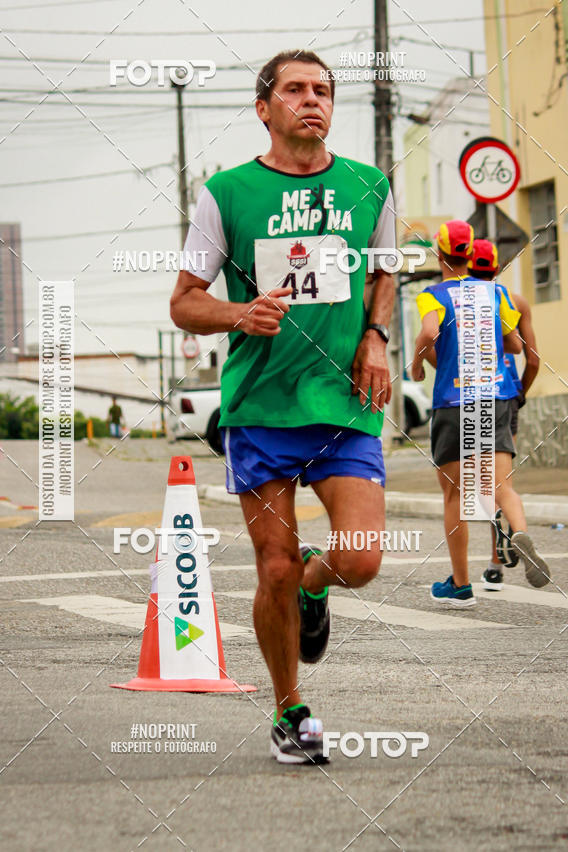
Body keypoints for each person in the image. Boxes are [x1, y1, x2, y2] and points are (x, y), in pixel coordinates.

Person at [171, 49, 396, 765]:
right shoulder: (226, 193)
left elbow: (385, 273)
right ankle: (288, 710)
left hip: (343, 401)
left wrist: (377, 337)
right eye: (295, 89)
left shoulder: (369, 185)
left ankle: (315, 586)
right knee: (273, 565)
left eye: (323, 90)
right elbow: (184, 302)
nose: (312, 100)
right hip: (261, 405)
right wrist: (238, 313)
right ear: (264, 108)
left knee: (360, 558)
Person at [410, 221, 550, 608]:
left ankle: (460, 585)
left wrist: (417, 363)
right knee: (501, 486)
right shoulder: (496, 293)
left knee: (455, 495)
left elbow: (429, 333)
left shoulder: (432, 295)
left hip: (453, 401)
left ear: (439, 254)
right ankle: (518, 531)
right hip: (496, 398)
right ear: (470, 254)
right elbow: (515, 345)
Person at [467, 239, 540, 590]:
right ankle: (515, 534)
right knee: (503, 482)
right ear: (497, 268)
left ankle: (494, 565)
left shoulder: (459, 301)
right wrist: (520, 392)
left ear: (468, 268)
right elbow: (533, 359)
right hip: (507, 395)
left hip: (470, 396)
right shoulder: (514, 301)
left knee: (484, 483)